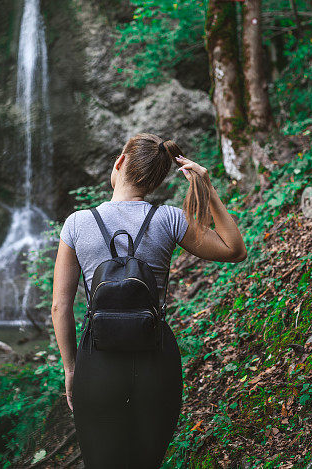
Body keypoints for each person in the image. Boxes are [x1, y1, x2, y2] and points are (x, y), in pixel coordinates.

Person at [51, 133, 247, 468]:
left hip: (98, 361)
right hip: (155, 358)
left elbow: (60, 307)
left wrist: (72, 369)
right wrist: (206, 188)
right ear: (155, 182)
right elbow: (234, 250)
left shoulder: (76, 224)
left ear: (120, 162)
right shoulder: (168, 219)